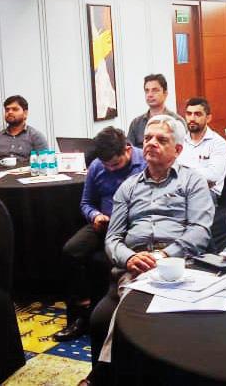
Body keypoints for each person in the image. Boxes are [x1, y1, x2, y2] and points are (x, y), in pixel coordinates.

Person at [84, 115, 213, 386]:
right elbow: (113, 238)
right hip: (136, 263)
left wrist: (165, 256)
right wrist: (129, 257)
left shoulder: (193, 181)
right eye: (148, 138)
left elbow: (200, 231)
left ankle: (102, 374)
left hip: (180, 261)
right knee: (136, 295)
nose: (151, 143)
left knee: (144, 301)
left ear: (178, 149)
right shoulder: (128, 187)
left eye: (161, 139)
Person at [53, 127, 145, 342]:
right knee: (71, 251)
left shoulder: (144, 163)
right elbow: (86, 203)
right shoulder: (97, 166)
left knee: (106, 259)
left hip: (133, 225)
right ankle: (80, 313)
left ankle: (112, 315)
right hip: (104, 223)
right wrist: (95, 215)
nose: (110, 169)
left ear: (127, 150)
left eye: (115, 164)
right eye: (106, 165)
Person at [176, 97, 226, 201]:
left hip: (208, 193)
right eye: (189, 114)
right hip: (180, 190)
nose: (192, 118)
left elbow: (213, 176)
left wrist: (183, 170)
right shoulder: (179, 140)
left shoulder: (218, 143)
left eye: (197, 114)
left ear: (208, 118)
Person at [0, 95, 49, 168]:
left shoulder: (36, 137)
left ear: (25, 113)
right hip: (1, 174)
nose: (10, 112)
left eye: (15, 109)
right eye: (7, 110)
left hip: (27, 174)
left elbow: (45, 166)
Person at [126, 74, 185, 147]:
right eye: (147, 91)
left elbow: (184, 149)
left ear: (165, 94)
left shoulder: (177, 121)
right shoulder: (136, 123)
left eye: (155, 90)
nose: (150, 95)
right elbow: (129, 150)